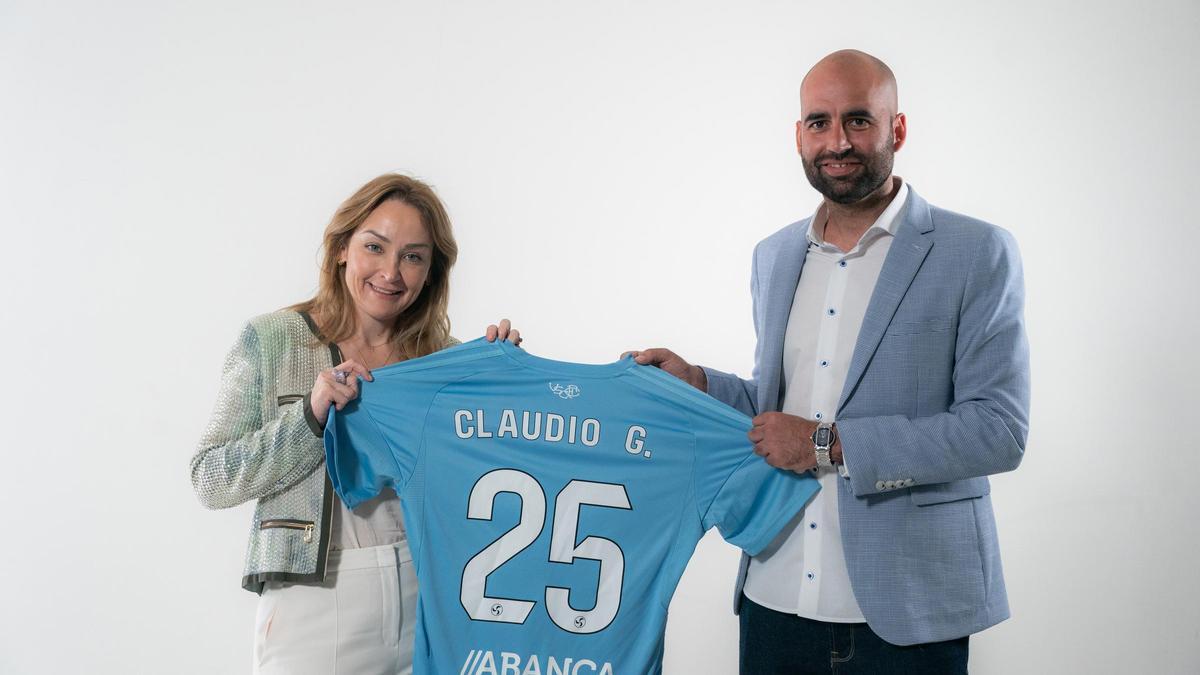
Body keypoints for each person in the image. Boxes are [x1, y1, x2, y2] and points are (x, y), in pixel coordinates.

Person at [632, 50, 1029, 673]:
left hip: (909, 610)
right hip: (776, 597)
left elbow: (997, 432)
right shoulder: (775, 255)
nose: (837, 141)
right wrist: (699, 383)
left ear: (897, 129)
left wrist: (827, 444)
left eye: (858, 120)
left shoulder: (975, 251)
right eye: (819, 123)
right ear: (798, 136)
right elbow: (779, 407)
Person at [190, 173, 521, 675]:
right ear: (343, 247)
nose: (391, 272)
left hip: (428, 592)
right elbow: (210, 478)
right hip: (315, 598)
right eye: (375, 246)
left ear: (431, 270)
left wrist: (501, 380)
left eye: (413, 256)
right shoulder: (273, 340)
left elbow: (496, 471)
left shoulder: (442, 362)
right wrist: (310, 413)